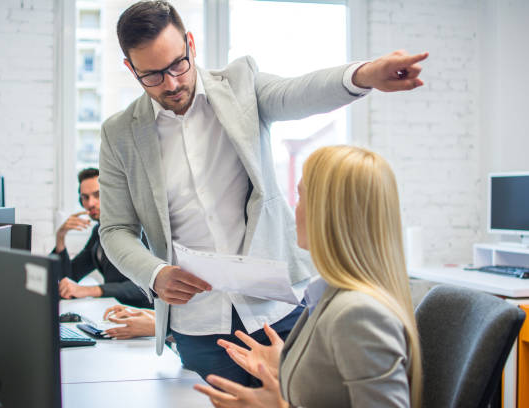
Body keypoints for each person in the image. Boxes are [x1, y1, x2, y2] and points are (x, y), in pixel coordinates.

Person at [98, 0, 428, 385]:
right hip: (199, 325)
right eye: (152, 76)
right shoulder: (119, 133)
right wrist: (154, 273)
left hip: (278, 307)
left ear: (190, 43)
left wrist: (366, 74)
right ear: (130, 69)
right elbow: (115, 229)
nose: (171, 83)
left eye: (177, 65)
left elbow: (298, 93)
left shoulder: (240, 85)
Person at [194, 145, 423, 407]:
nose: (295, 208)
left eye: (300, 197)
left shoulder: (360, 314)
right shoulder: (329, 294)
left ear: (328, 213)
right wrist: (288, 363)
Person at [53, 168, 152, 309]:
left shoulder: (136, 228)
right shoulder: (98, 232)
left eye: (97, 195)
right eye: (85, 197)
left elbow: (148, 285)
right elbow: (70, 276)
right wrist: (60, 236)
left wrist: (91, 290)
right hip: (114, 311)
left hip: (142, 315)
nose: (91, 203)